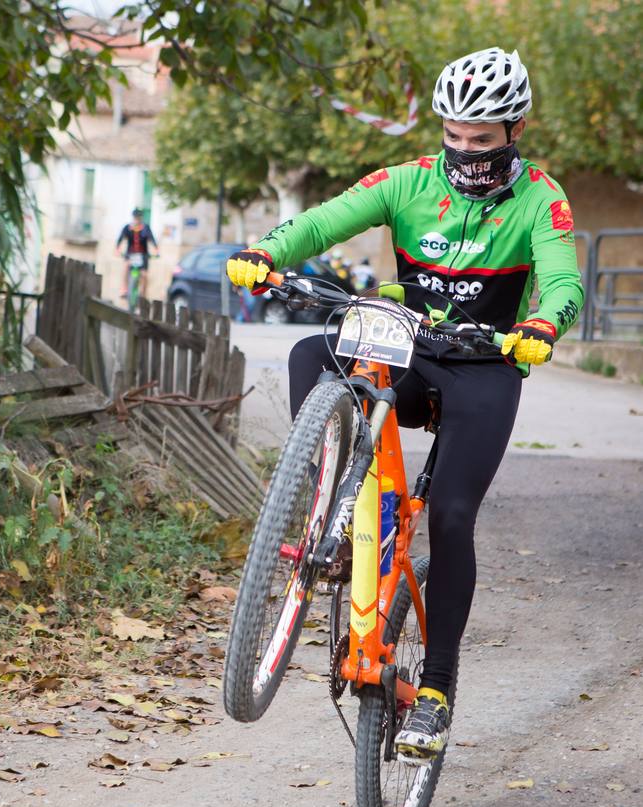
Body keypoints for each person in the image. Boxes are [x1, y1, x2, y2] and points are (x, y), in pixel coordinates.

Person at [226, 47, 583, 764]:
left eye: (480, 139)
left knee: (451, 516)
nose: (463, 150)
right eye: (452, 134)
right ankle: (331, 496)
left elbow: (562, 279)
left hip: (485, 362)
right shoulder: (406, 181)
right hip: (409, 346)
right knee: (308, 354)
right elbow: (323, 222)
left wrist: (543, 324)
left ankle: (437, 690)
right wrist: (268, 250)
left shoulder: (542, 199)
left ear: (515, 129)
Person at [116, 208, 158, 300]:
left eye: (138, 217)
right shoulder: (127, 228)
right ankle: (124, 289)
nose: (137, 219)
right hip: (130, 254)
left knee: (144, 275)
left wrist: (156, 250)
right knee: (126, 267)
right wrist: (117, 249)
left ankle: (143, 294)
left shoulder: (145, 228)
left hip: (143, 255)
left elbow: (152, 239)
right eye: (135, 217)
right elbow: (120, 239)